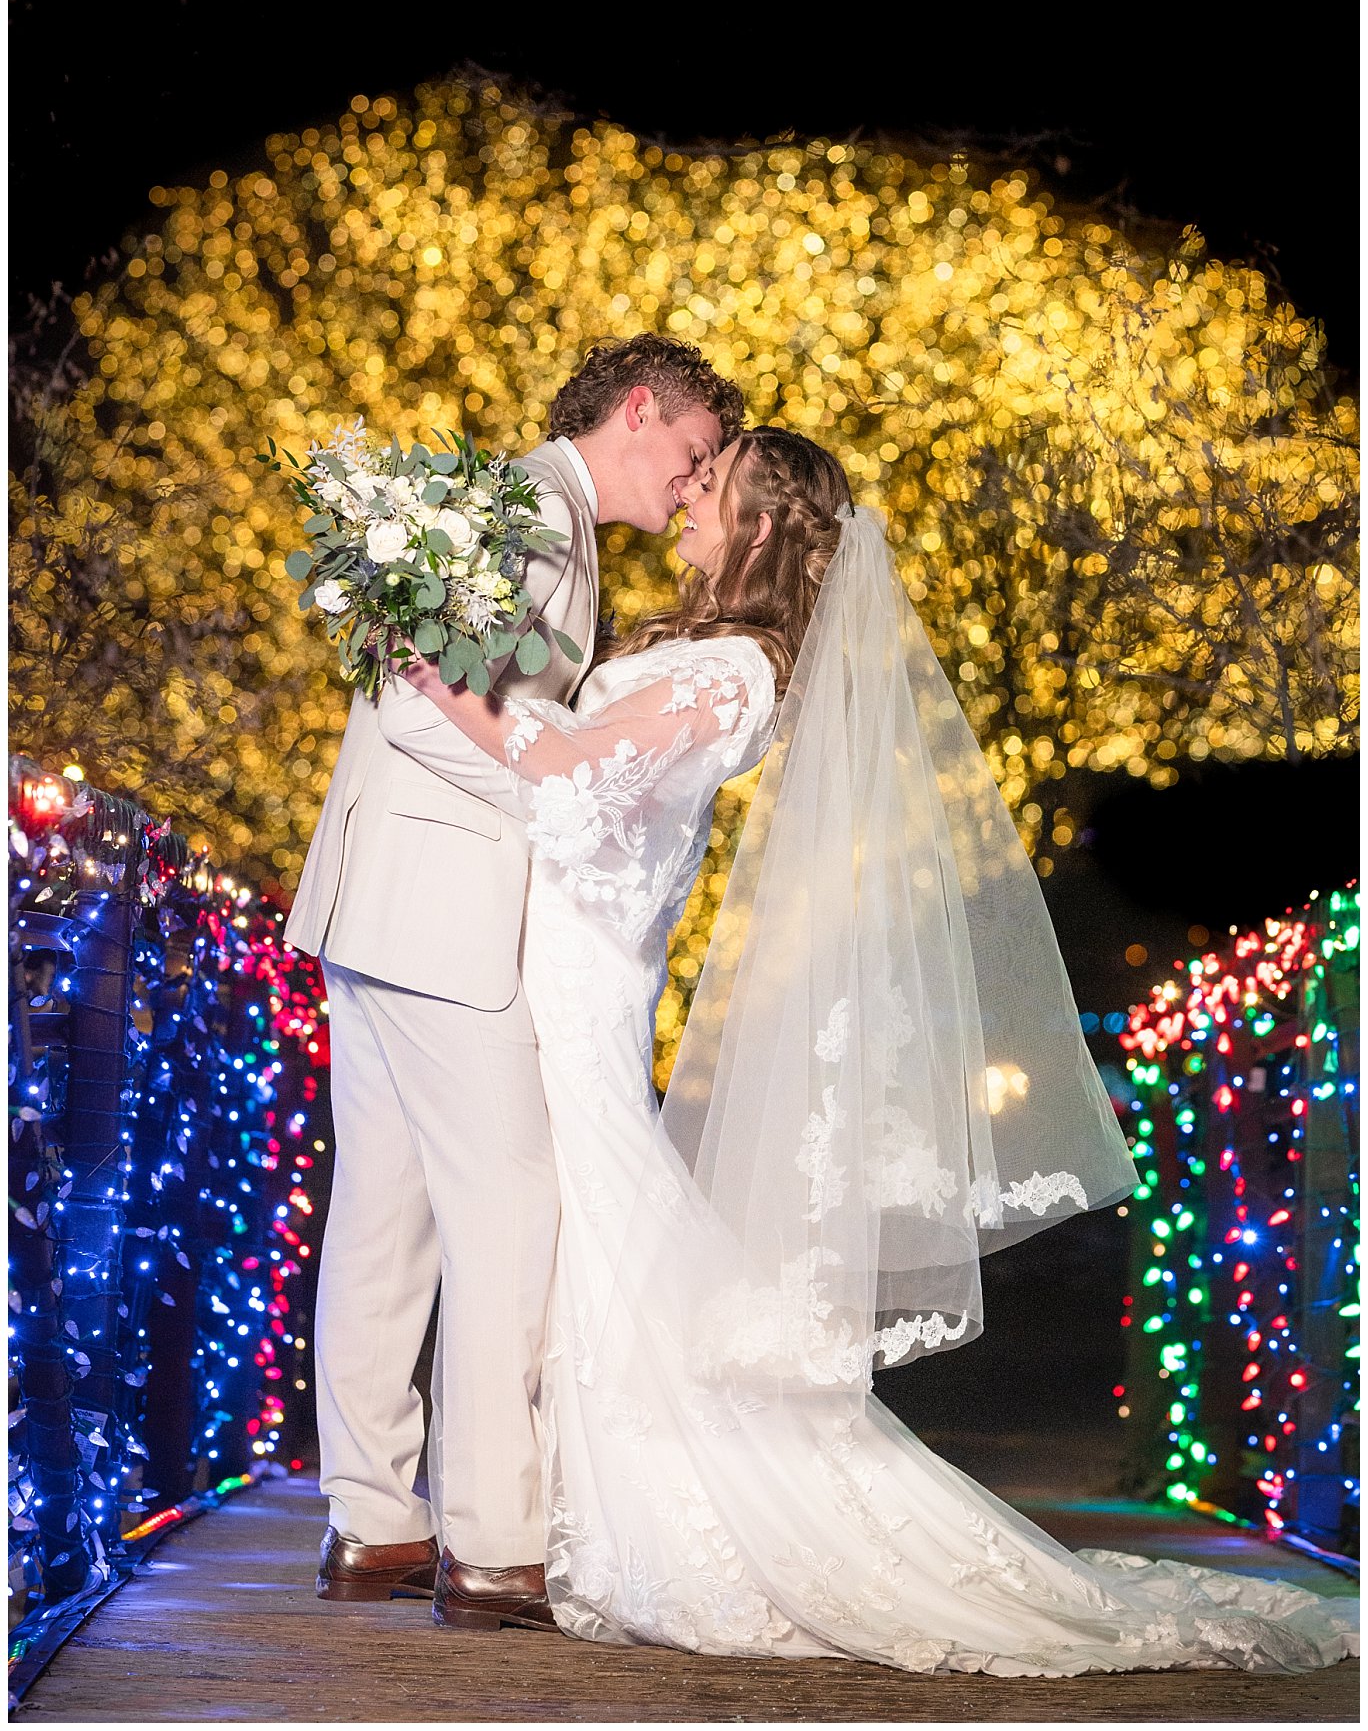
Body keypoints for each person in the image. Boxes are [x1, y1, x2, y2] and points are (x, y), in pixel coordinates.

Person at [387, 424, 1358, 1674]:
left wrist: (440, 679)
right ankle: (529, 1509)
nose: (683, 503)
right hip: (558, 963)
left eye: (709, 490)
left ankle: (590, 1520)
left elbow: (572, 767)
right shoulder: (685, 644)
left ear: (758, 527)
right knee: (575, 1232)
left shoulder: (739, 666)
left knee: (598, 1221)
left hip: (583, 974)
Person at [285, 335, 743, 1620]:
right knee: (509, 1210)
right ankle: (491, 1539)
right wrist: (562, 796)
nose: (695, 482)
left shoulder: (514, 504)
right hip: (444, 915)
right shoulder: (537, 510)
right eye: (695, 448)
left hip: (379, 903)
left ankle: (372, 1520)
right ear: (640, 408)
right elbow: (423, 704)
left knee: (387, 1215)